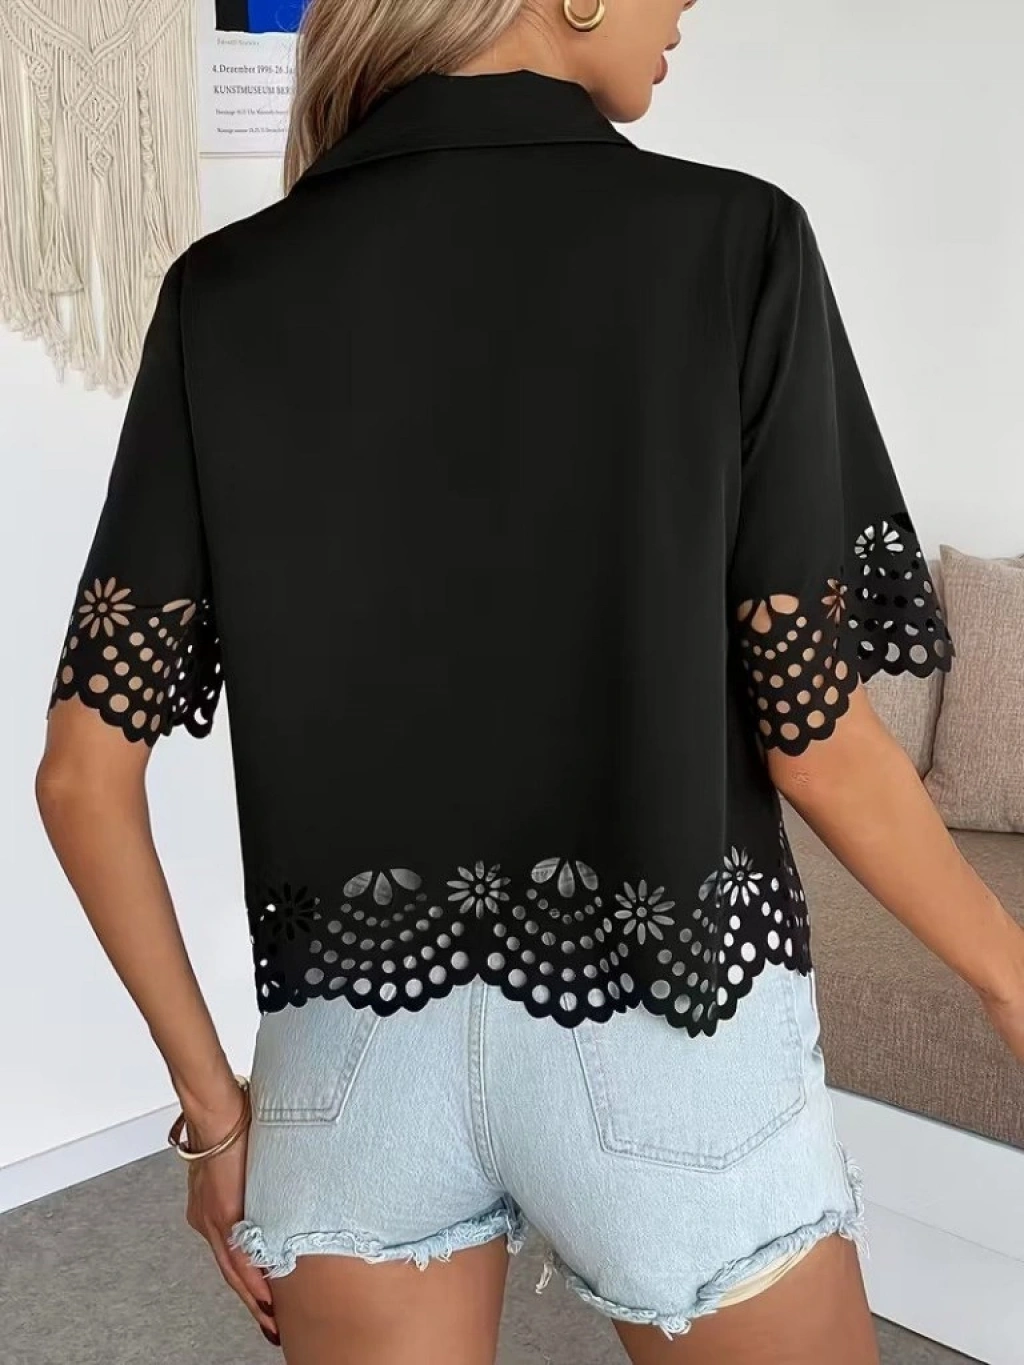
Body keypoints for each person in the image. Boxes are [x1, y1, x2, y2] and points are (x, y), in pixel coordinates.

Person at [36, 1, 1024, 1362]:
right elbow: (817, 740)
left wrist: (215, 1122)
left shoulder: (225, 290)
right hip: (668, 1028)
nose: (688, 5)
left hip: (352, 1055)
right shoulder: (733, 242)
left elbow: (82, 780)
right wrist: (1008, 977)